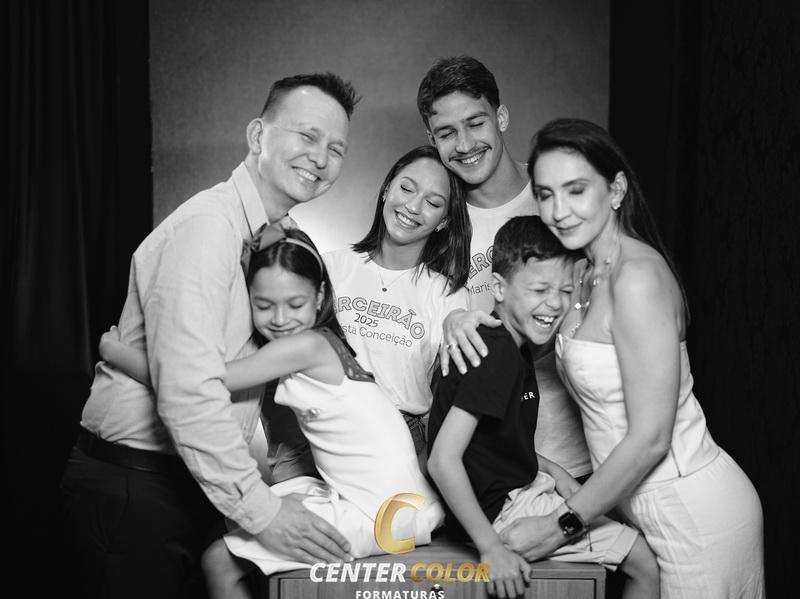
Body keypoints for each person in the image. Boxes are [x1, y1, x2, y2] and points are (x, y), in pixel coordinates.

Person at [60, 73, 359, 598]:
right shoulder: (207, 228)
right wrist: (263, 511)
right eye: (307, 136)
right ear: (257, 136)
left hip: (194, 483)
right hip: (136, 486)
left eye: (336, 149)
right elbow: (187, 390)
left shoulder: (274, 241)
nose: (321, 158)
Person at [100, 229, 444, 598]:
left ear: (320, 297)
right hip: (394, 500)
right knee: (241, 514)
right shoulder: (324, 341)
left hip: (385, 513)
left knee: (217, 561)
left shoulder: (306, 346)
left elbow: (197, 383)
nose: (280, 318)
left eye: (294, 305)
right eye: (264, 306)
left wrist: (115, 352)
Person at [500, 119, 764, 597]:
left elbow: (652, 438)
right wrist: (466, 322)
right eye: (545, 194)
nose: (558, 211)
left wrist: (559, 526)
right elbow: (526, 333)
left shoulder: (637, 277)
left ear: (616, 189)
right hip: (635, 512)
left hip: (693, 513)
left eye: (576, 190)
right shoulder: (583, 271)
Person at [427, 216, 659, 599]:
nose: (554, 303)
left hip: (517, 490)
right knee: (646, 563)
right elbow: (442, 460)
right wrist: (491, 548)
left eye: (565, 290)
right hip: (501, 511)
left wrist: (555, 472)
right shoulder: (496, 353)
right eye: (539, 289)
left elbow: (492, 441)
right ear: (498, 288)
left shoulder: (510, 345)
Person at [417, 55, 592, 483]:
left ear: (501, 117)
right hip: (487, 465)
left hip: (577, 452)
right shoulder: (435, 223)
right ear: (432, 139)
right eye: (447, 133)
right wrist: (449, 326)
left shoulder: (557, 197)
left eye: (475, 123)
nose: (464, 144)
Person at [323, 145, 471, 458]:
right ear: (387, 189)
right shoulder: (329, 268)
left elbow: (453, 392)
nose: (413, 207)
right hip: (325, 426)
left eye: (433, 203)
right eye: (406, 188)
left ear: (443, 221)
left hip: (401, 435)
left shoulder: (449, 294)